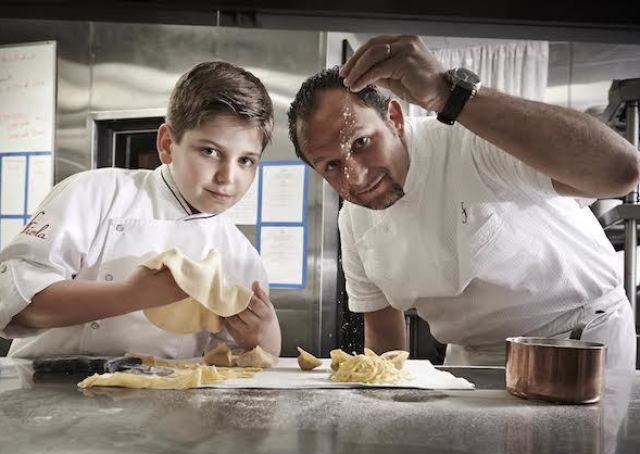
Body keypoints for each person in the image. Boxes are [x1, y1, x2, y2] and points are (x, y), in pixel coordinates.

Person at [287, 35, 640, 370]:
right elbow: (383, 338)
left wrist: (450, 95)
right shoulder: (353, 221)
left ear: (394, 119)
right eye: (331, 165)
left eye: (362, 143)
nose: (357, 177)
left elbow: (621, 171)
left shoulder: (472, 141)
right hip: (469, 357)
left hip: (576, 341)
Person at [0, 61, 281, 359]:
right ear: (167, 144)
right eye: (210, 151)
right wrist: (132, 295)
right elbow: (13, 303)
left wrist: (263, 339)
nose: (227, 177)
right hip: (47, 396)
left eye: (246, 160)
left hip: (165, 402)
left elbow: (235, 365)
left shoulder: (241, 256)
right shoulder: (94, 194)